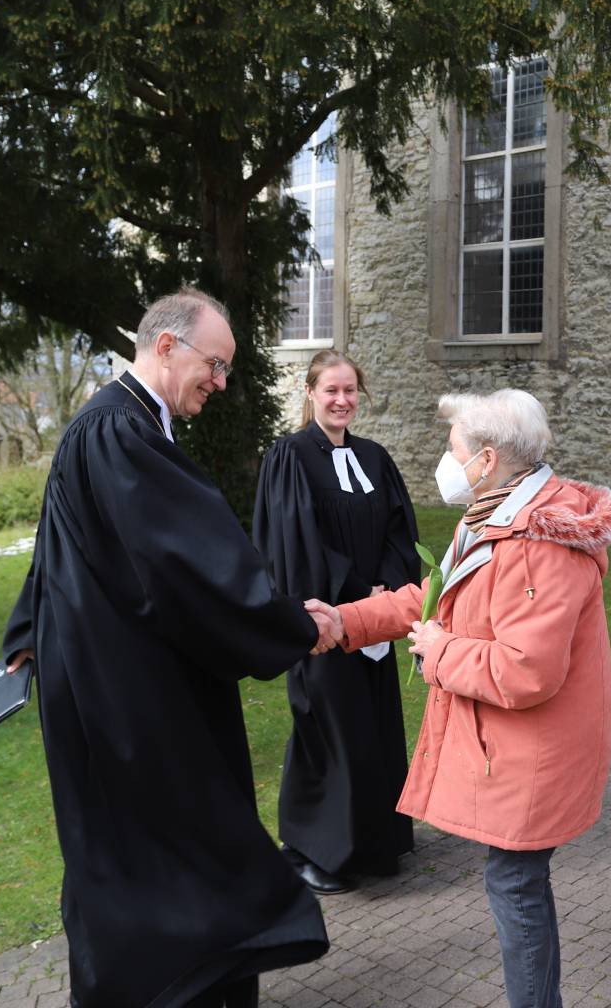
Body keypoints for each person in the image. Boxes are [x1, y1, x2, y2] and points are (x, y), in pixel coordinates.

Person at [0, 290, 334, 1008]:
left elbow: (65, 535)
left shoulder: (112, 424)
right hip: (131, 695)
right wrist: (293, 624)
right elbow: (187, 567)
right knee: (172, 842)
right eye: (215, 364)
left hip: (108, 683)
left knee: (130, 851)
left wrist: (25, 630)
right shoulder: (119, 433)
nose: (221, 381)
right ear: (165, 347)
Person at [314, 390, 611, 1008]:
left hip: (534, 751)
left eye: (451, 449)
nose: (443, 460)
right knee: (519, 883)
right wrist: (347, 622)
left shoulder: (538, 542)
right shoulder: (496, 514)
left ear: (485, 458)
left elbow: (526, 670)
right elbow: (434, 595)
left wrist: (438, 651)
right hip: (515, 748)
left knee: (515, 883)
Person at [251, 351, 420, 894]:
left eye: (350, 391)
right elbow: (294, 545)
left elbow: (400, 531)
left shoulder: (376, 458)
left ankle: (375, 842)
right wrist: (350, 598)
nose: (342, 401)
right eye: (331, 391)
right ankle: (313, 849)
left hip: (375, 620)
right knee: (327, 728)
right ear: (310, 393)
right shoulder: (290, 457)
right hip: (324, 622)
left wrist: (386, 594)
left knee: (374, 727)